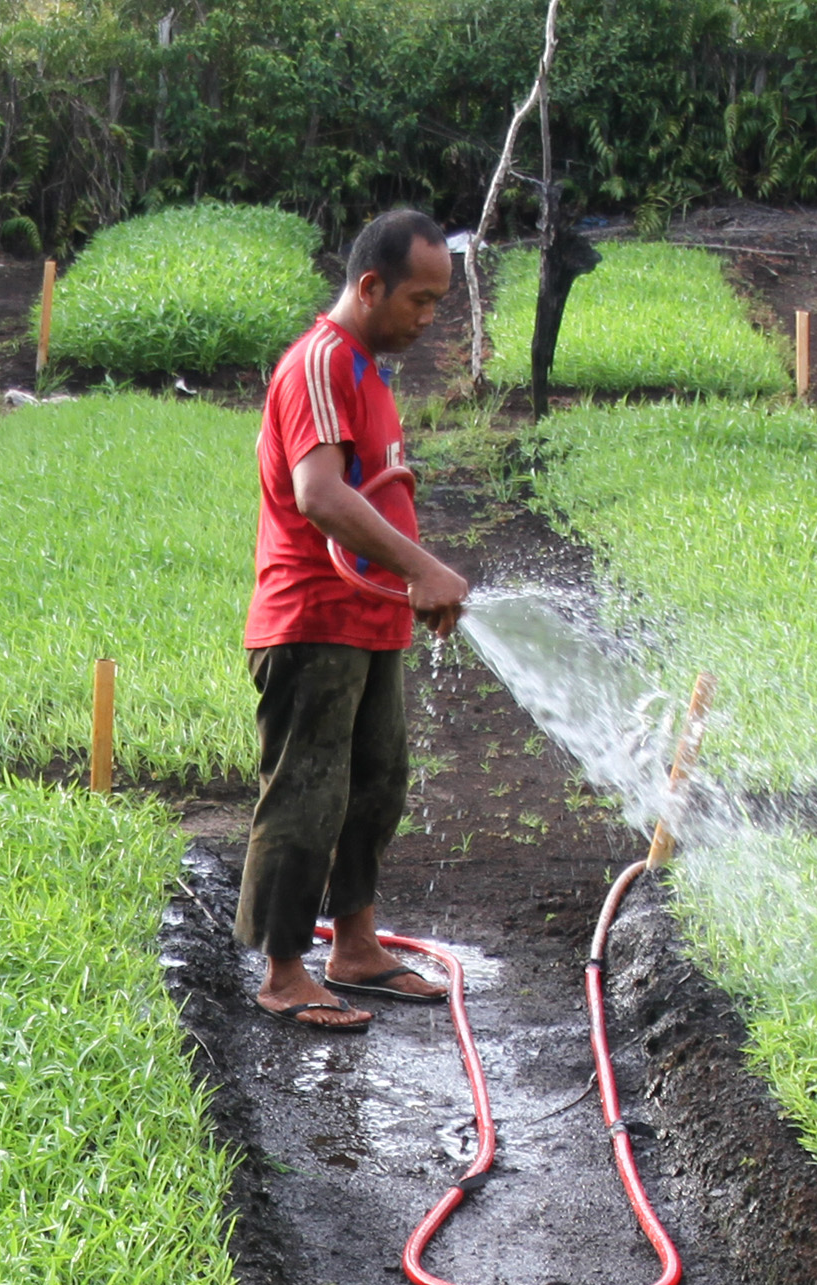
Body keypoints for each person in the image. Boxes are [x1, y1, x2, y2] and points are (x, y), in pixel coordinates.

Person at [238, 209, 472, 1032]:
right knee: (308, 793)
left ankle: (356, 946)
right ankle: (283, 969)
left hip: (371, 622)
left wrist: (412, 582)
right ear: (369, 286)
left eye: (439, 303)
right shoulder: (319, 365)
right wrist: (422, 569)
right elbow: (321, 495)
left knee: (376, 785)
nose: (428, 319)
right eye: (420, 300)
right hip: (311, 619)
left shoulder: (369, 371)